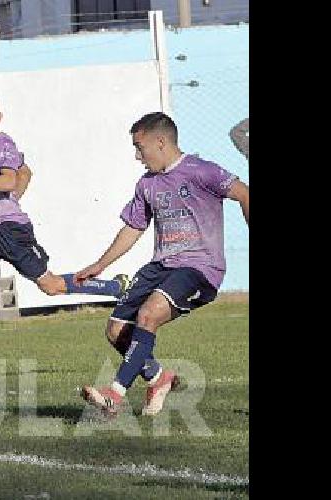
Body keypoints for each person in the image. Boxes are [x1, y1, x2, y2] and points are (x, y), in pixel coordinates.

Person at [0, 92, 130, 378]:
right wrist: (11, 198)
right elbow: (25, 172)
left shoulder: (2, 143)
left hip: (10, 231)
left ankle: (114, 288)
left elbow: (11, 178)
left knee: (50, 286)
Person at [74, 111, 249, 417]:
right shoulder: (147, 184)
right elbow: (133, 228)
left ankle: (114, 395)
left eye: (139, 148)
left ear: (160, 141)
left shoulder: (201, 171)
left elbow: (245, 194)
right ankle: (159, 378)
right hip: (161, 266)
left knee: (149, 313)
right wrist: (99, 265)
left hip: (198, 267)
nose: (137, 156)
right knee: (116, 331)